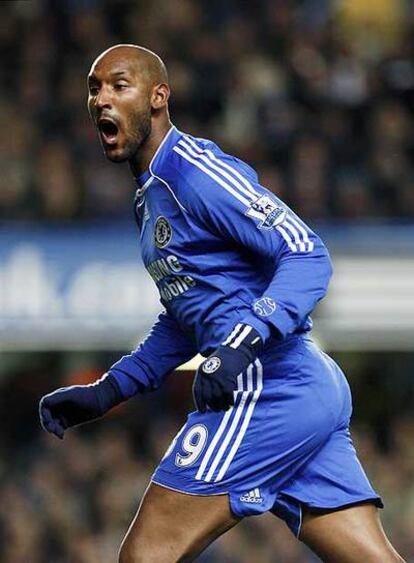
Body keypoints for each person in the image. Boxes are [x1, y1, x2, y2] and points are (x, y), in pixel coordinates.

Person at [39, 44, 405, 563]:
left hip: (267, 388)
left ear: (158, 97)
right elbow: (186, 316)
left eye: (119, 86)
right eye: (94, 88)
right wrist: (107, 392)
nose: (102, 99)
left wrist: (238, 346)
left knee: (145, 556)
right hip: (302, 393)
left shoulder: (195, 171)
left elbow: (306, 253)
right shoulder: (149, 197)